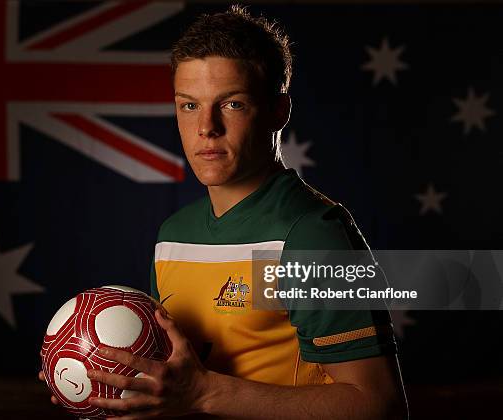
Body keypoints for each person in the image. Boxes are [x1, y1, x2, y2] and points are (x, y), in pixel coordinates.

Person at [40, 5, 407, 419]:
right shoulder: (174, 234)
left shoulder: (311, 234)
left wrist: (204, 393)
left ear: (278, 111)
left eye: (232, 104)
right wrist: (106, 383)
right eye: (189, 105)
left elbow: (379, 405)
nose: (206, 128)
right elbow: (175, 383)